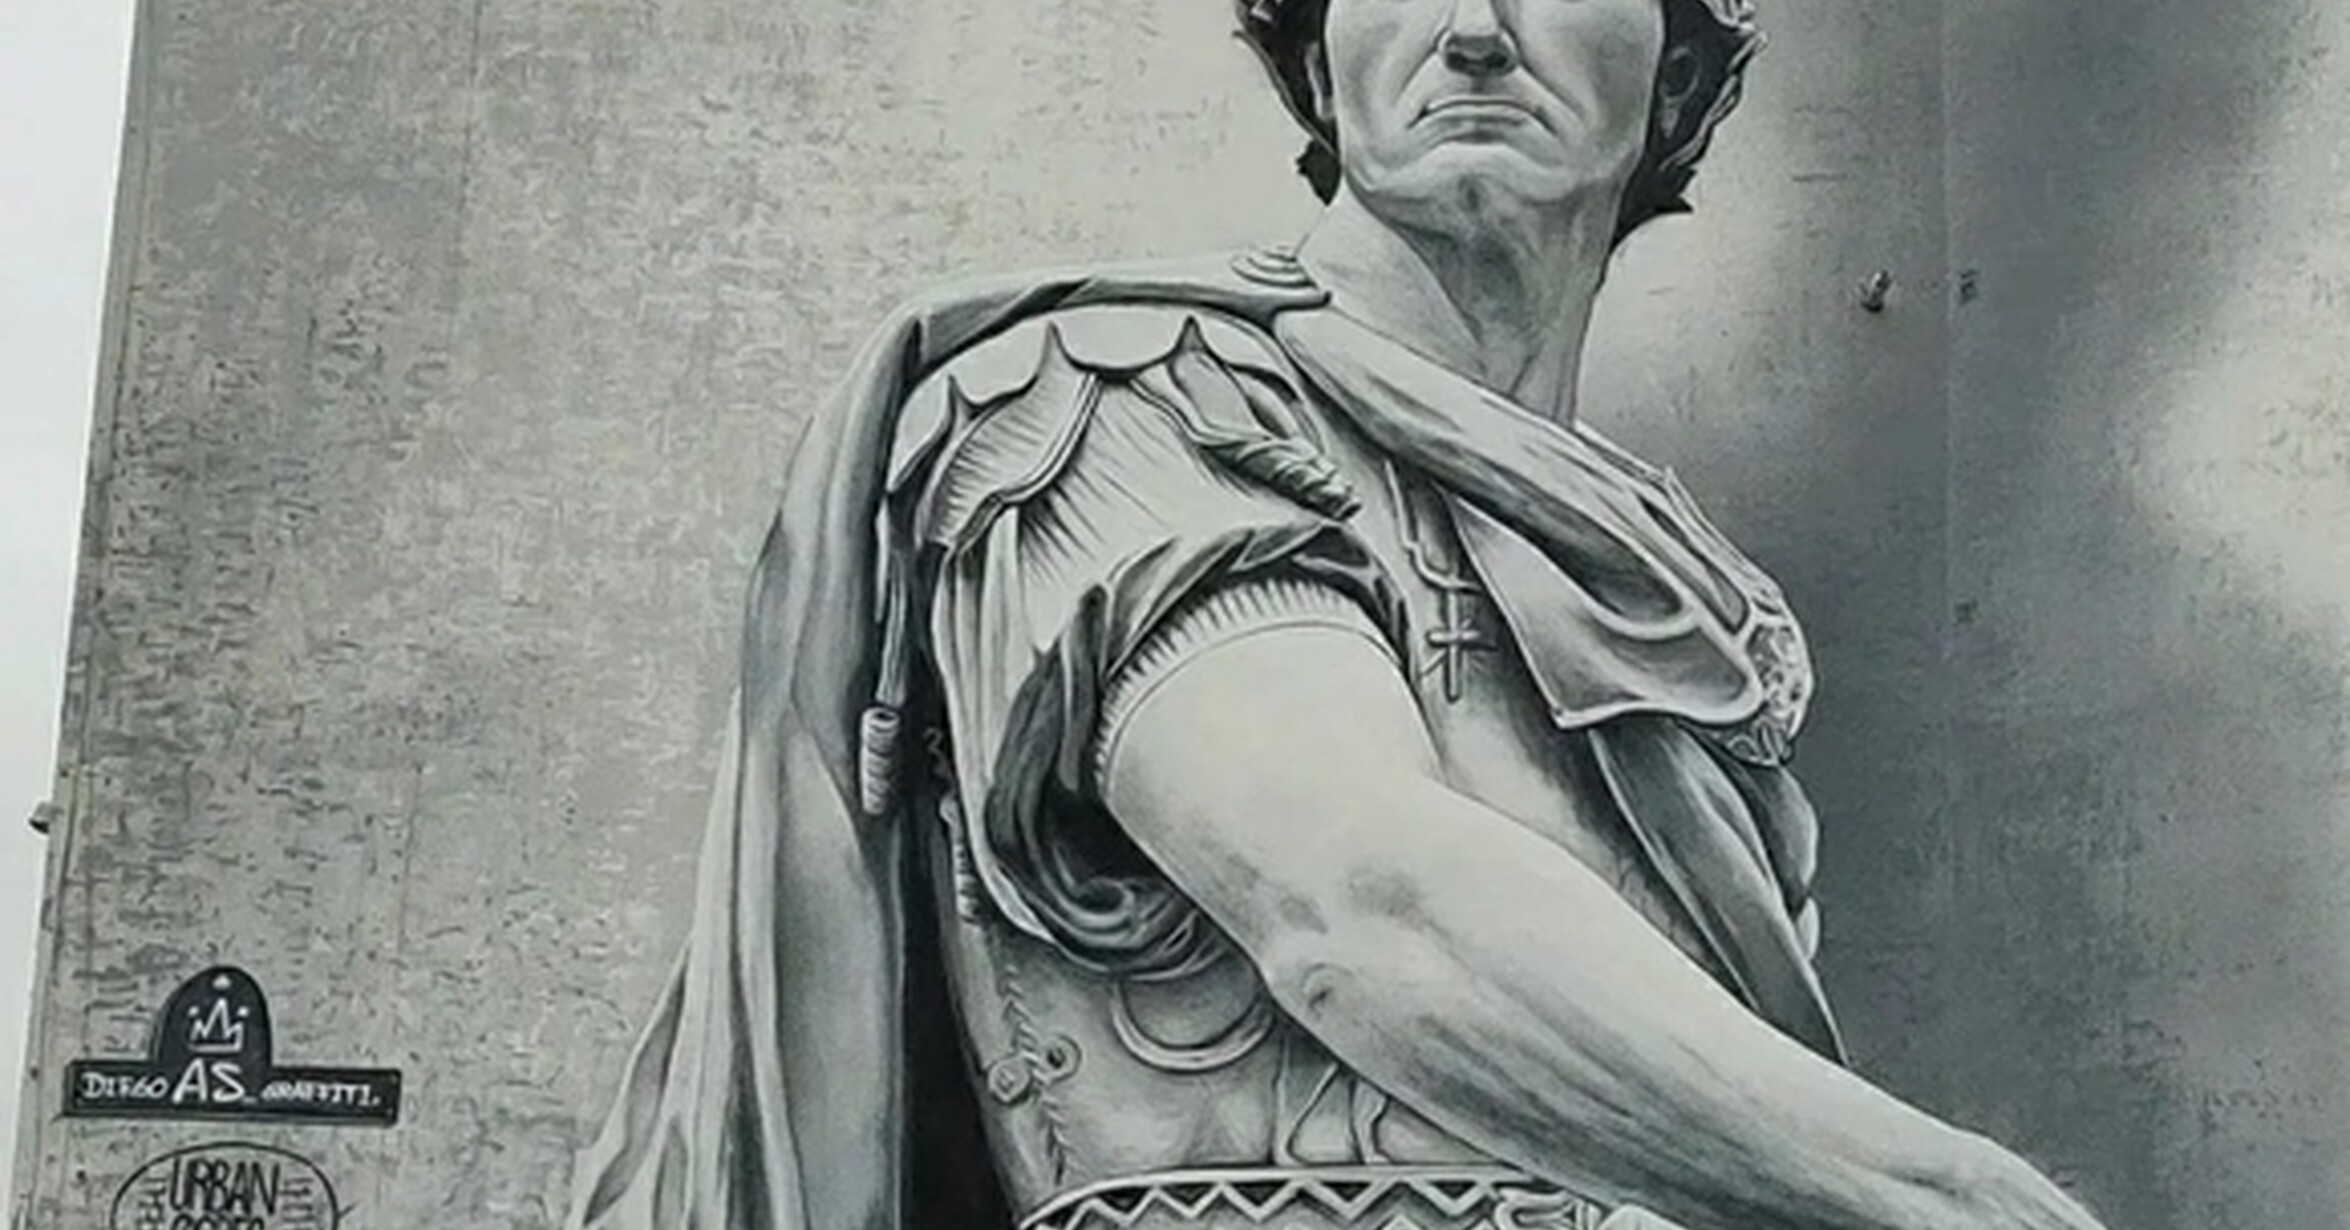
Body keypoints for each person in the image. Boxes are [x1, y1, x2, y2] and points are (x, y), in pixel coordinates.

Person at [569, 1, 2115, 1228]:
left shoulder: (1673, 594)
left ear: (1678, 76)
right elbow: (1359, 908)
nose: (1473, 30)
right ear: (1316, 63)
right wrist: (1958, 1201)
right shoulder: (1117, 396)